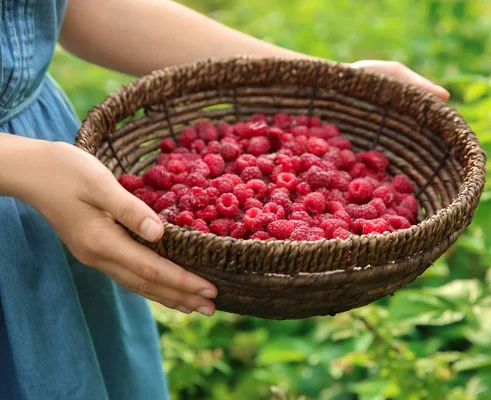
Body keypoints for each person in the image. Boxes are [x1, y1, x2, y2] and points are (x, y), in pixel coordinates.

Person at [0, 1, 450, 399]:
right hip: (40, 171)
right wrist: (26, 168)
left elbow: (69, 8)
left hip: (54, 164)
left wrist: (327, 81)